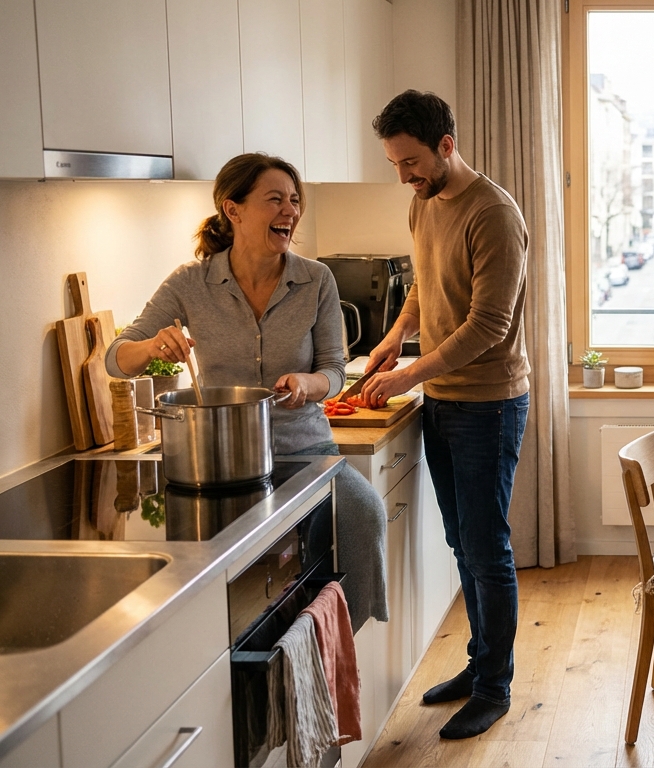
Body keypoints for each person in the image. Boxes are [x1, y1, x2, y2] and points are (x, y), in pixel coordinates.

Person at [106, 152, 388, 632]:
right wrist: (153, 345)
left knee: (364, 513)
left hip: (306, 452)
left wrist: (308, 383)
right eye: (274, 199)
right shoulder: (190, 283)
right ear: (231, 210)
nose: (291, 212)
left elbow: (335, 371)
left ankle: (342, 640)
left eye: (294, 200)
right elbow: (116, 357)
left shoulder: (316, 279)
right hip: (220, 464)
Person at [361, 90, 531, 740]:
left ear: (446, 146)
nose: (403, 176)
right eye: (394, 163)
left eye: (409, 162)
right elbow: (418, 286)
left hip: (488, 403)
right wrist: (392, 341)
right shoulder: (423, 202)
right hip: (442, 398)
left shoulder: (492, 213)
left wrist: (408, 372)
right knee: (463, 541)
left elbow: (488, 324)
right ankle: (477, 664)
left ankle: (495, 686)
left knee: (487, 548)